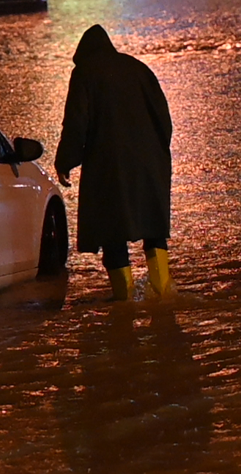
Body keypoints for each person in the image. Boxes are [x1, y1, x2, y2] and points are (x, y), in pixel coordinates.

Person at [55, 25, 175, 302]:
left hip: (108, 168)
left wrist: (66, 161)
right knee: (154, 229)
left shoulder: (84, 73)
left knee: (113, 233)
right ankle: (163, 292)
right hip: (150, 164)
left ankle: (125, 301)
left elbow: (76, 123)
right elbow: (164, 119)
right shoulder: (138, 68)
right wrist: (157, 156)